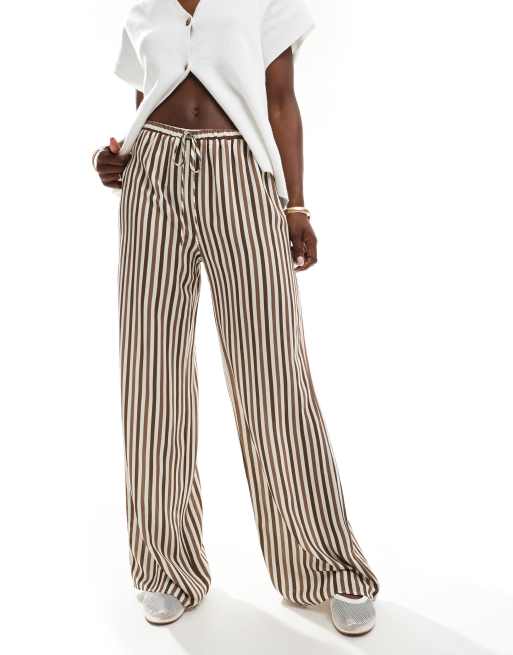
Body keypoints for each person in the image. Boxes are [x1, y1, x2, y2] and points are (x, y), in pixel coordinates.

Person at [93, 0, 379, 637]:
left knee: (273, 375)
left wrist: (296, 205)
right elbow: (143, 103)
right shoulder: (143, 8)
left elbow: (281, 100)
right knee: (152, 376)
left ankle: (325, 565)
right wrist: (115, 162)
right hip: (151, 181)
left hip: (242, 178)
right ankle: (164, 566)